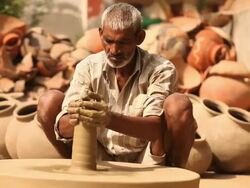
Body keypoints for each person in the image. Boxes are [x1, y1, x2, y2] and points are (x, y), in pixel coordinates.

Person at [37, 3, 197, 168]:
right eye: (109, 41)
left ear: (139, 38)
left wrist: (107, 118)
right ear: (100, 34)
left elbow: (156, 130)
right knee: (48, 101)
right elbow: (62, 130)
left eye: (123, 43)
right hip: (98, 152)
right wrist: (79, 115)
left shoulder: (160, 69)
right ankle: (76, 167)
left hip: (148, 155)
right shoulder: (88, 67)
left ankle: (175, 177)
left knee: (179, 104)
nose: (114, 50)